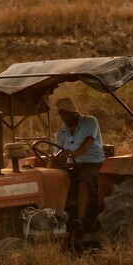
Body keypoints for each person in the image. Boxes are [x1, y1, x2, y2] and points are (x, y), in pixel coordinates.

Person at [51, 97, 105, 249]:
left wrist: (75, 153)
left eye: (66, 114)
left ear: (74, 113)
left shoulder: (90, 122)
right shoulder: (61, 132)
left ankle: (79, 223)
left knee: (83, 183)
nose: (63, 117)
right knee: (59, 182)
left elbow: (88, 143)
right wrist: (51, 166)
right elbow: (58, 154)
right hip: (73, 165)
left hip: (93, 163)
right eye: (61, 114)